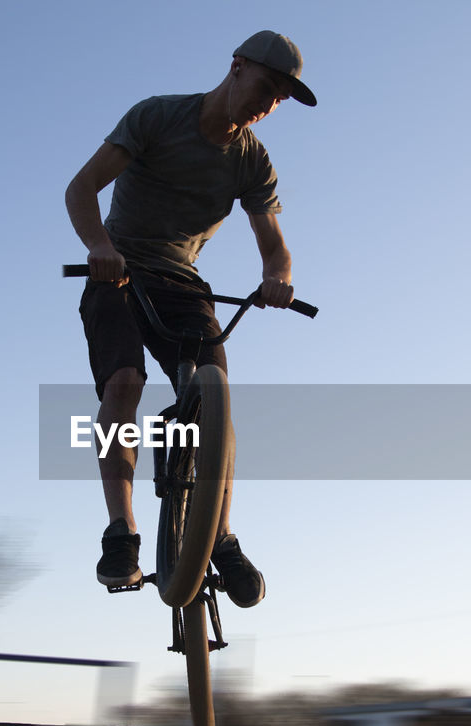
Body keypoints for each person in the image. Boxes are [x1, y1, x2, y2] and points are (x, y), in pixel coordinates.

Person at [65, 31, 316, 607]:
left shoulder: (253, 160)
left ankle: (219, 534)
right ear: (236, 67)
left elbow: (275, 247)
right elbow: (81, 189)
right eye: (266, 86)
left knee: (214, 398)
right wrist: (100, 246)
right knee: (124, 383)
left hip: (183, 283)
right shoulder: (156, 117)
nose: (269, 103)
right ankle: (121, 532)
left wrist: (278, 278)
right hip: (118, 270)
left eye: (279, 97)